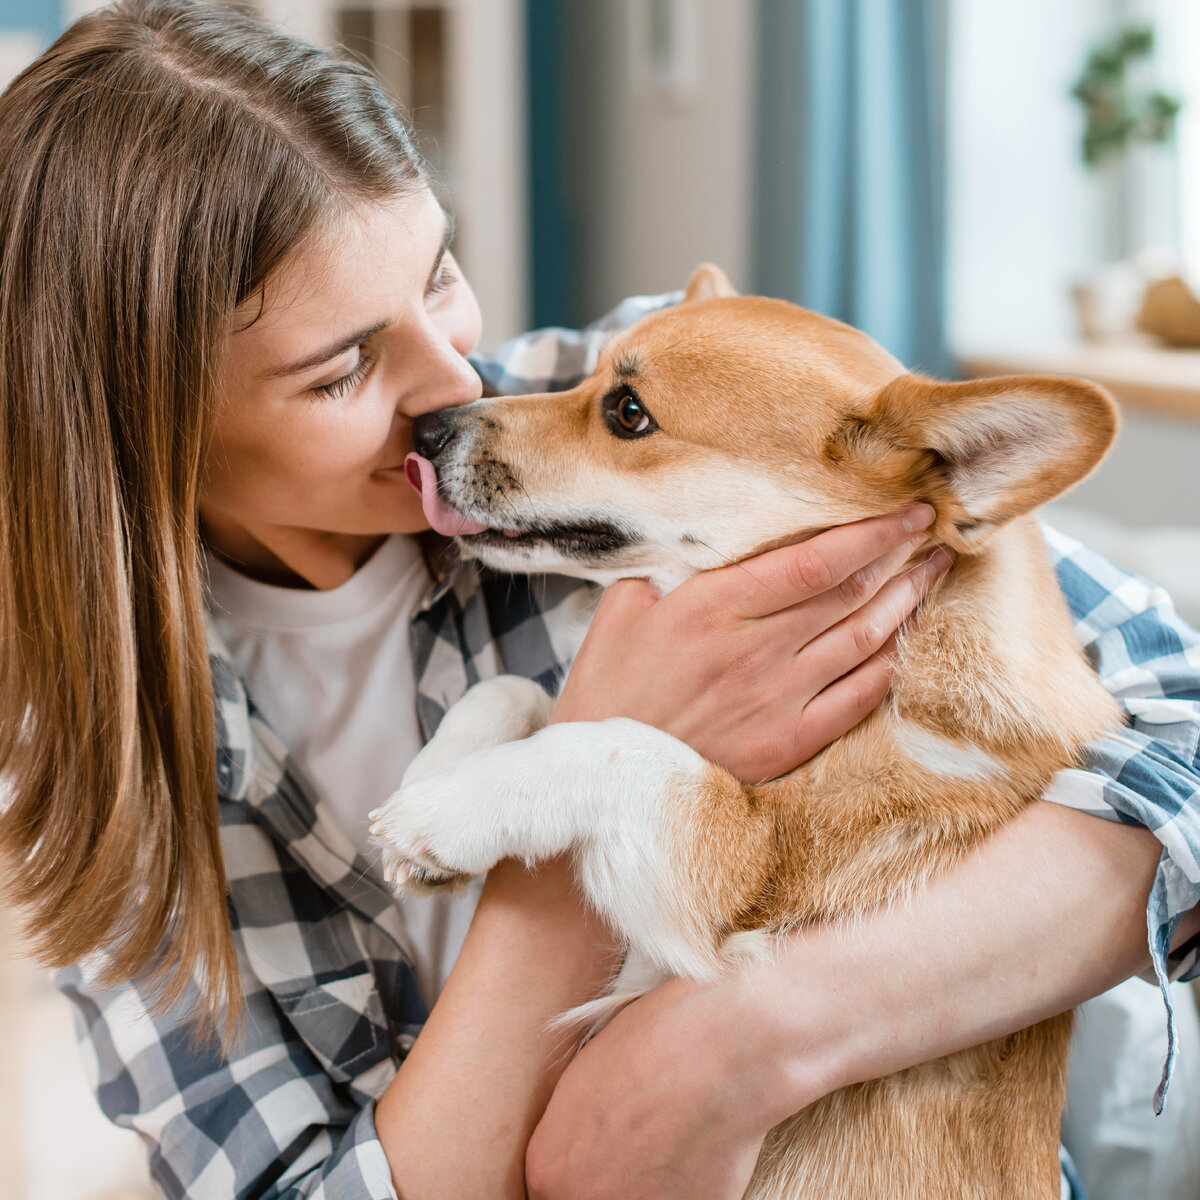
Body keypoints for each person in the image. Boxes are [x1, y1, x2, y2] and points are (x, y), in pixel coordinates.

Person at [0, 3, 1195, 1199]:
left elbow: (1177, 724)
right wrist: (575, 808)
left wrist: (752, 1038)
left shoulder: (660, 382)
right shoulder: (101, 757)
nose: (454, 384)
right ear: (143, 441)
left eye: (441, 274)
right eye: (344, 368)